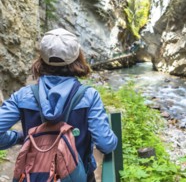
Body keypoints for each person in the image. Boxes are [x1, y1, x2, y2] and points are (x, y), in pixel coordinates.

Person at [0, 28, 118, 181]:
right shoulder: (89, 96)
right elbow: (106, 144)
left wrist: (18, 137)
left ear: (41, 58)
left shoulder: (23, 95)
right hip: (78, 177)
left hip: (35, 176)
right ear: (77, 57)